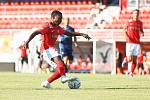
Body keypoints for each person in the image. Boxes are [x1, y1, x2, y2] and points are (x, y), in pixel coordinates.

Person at [22, 10, 91, 88]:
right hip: (46, 49)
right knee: (59, 60)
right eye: (58, 19)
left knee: (62, 68)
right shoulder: (47, 26)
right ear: (52, 18)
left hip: (50, 49)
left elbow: (69, 33)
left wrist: (82, 34)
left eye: (61, 19)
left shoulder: (58, 28)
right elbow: (35, 32)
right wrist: (27, 42)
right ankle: (63, 77)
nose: (60, 21)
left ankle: (47, 82)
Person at [124, 9, 144, 77]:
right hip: (129, 42)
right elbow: (124, 30)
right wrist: (126, 36)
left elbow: (141, 30)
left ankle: (131, 72)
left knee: (135, 60)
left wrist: (142, 33)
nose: (136, 14)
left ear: (138, 14)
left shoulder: (140, 23)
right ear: (132, 14)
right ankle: (125, 60)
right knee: (129, 58)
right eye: (135, 13)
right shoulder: (128, 22)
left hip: (137, 43)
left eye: (137, 13)